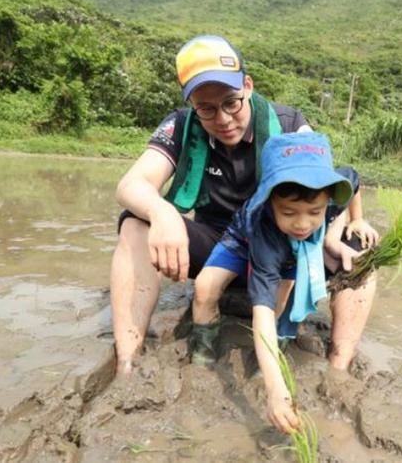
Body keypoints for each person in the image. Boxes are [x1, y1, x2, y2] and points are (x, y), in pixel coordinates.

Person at [110, 35, 314, 374]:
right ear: (192, 103)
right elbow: (131, 184)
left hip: (275, 250)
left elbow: (319, 187)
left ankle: (339, 364)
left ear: (247, 86)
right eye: (206, 108)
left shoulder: (289, 125)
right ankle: (127, 361)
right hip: (213, 251)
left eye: (231, 102)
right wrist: (163, 213)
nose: (222, 118)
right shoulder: (181, 125)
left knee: (356, 245)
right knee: (135, 221)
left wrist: (351, 223)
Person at [192, 132, 378, 434]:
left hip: (291, 250)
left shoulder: (330, 191)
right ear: (269, 201)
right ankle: (202, 354)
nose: (303, 223)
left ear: (328, 198)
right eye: (289, 212)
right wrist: (276, 390)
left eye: (314, 213)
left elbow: (352, 179)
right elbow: (260, 312)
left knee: (282, 298)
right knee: (204, 290)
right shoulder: (267, 232)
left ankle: (272, 352)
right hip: (241, 239)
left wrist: (357, 218)